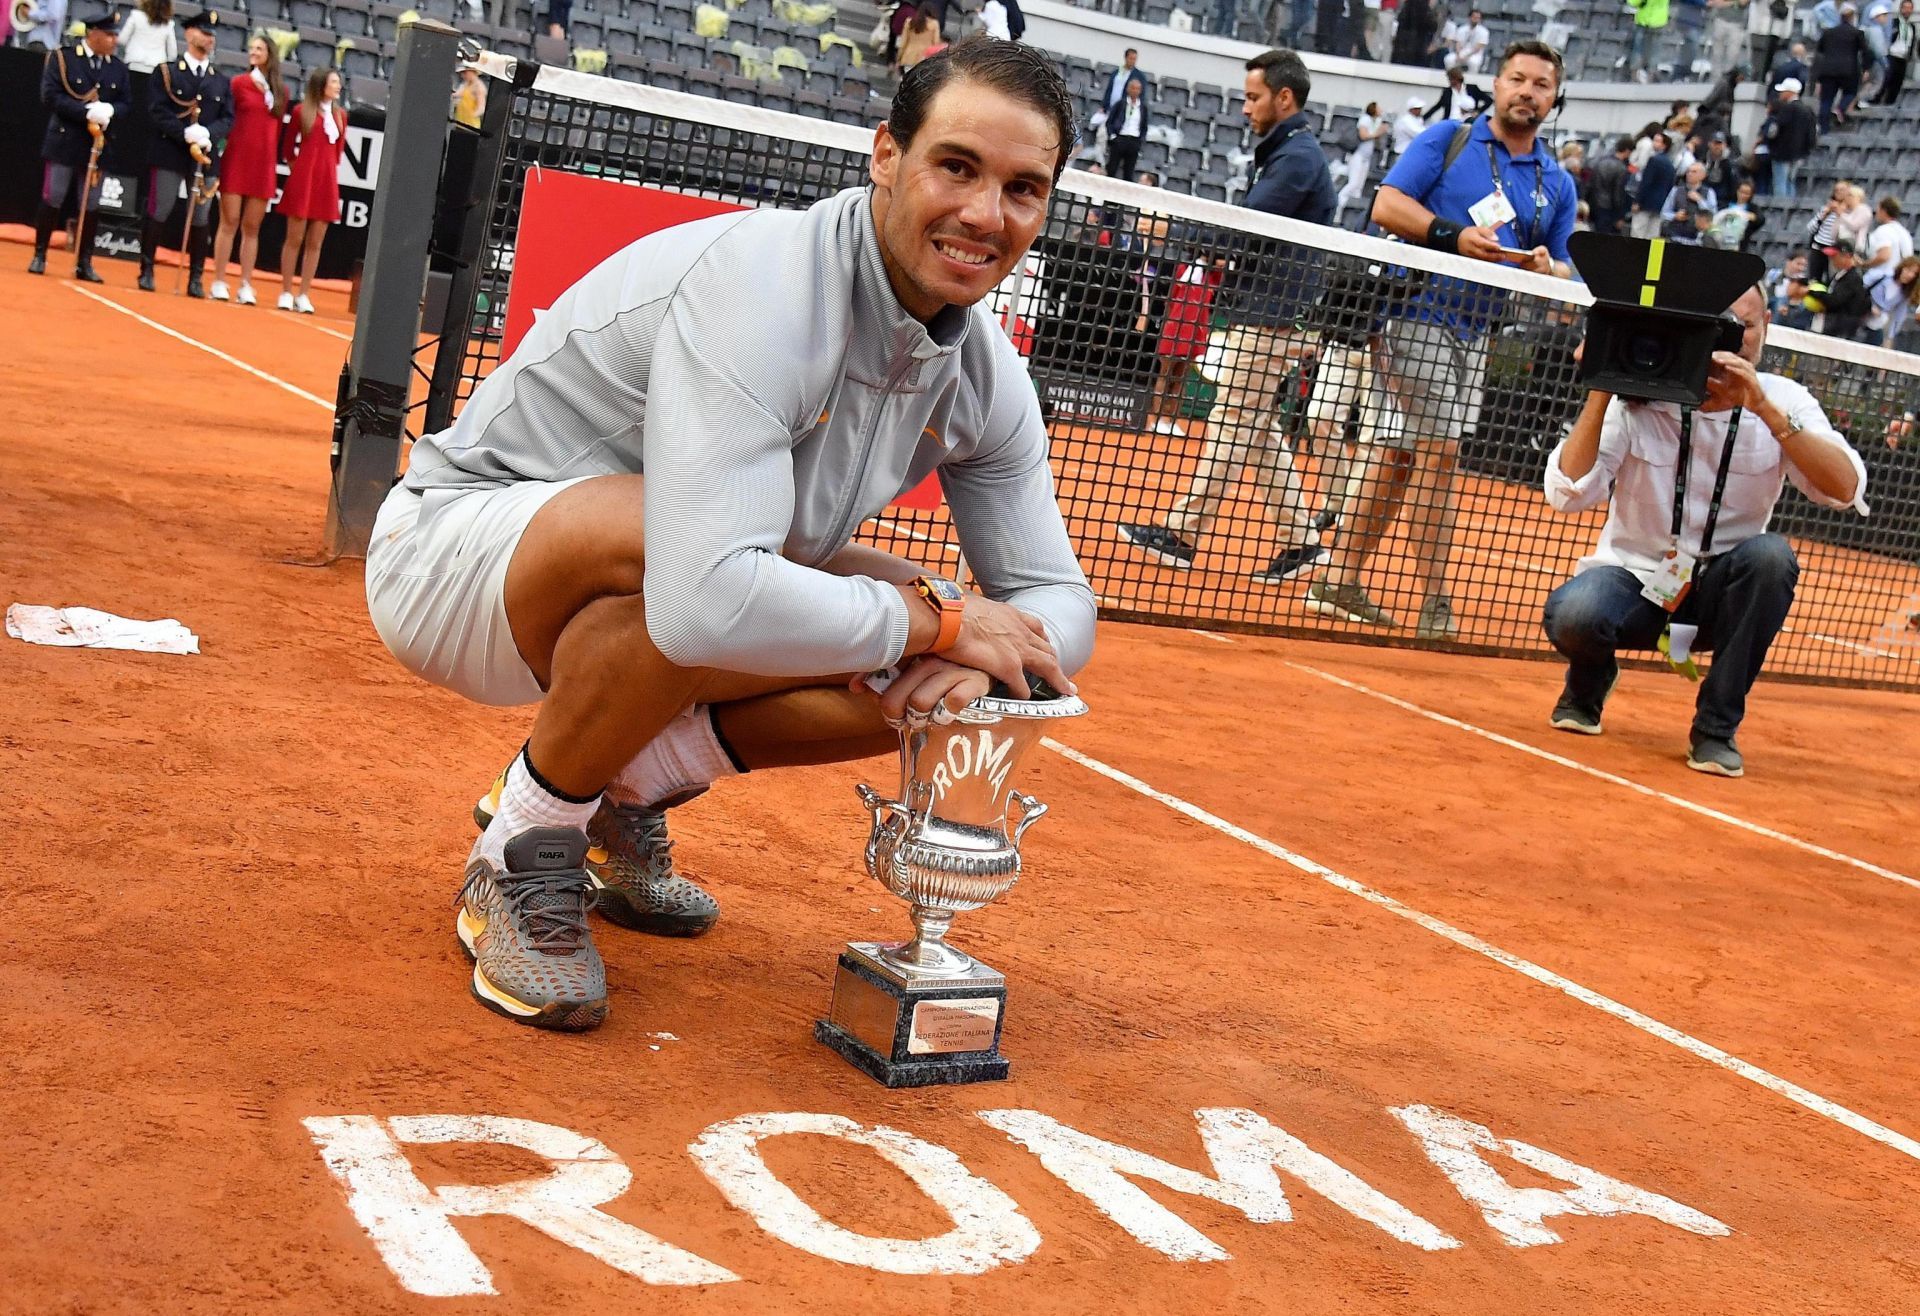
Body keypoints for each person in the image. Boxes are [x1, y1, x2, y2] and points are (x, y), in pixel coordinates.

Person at [362, 39, 1093, 1031]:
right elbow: (707, 594)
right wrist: (937, 619)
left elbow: (1058, 600)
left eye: (1022, 188)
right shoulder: (765, 288)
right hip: (455, 561)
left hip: (678, 586)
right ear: (887, 154)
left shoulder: (987, 373)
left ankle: (631, 782)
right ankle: (524, 848)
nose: (983, 213)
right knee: (812, 585)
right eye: (956, 166)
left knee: (956, 656)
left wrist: (974, 650)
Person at [1540, 284, 1868, 777]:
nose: (1734, 339)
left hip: (1719, 594)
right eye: (1722, 326)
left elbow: (1845, 490)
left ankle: (1716, 730)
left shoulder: (1785, 399)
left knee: (1771, 557)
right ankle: (1590, 678)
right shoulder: (1644, 389)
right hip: (1636, 579)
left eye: (1747, 326)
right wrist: (1602, 384)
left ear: (1767, 328)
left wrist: (1765, 411)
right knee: (1575, 615)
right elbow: (1567, 494)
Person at [1309, 40, 1576, 636]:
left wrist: (1543, 268)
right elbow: (1386, 204)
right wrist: (1451, 236)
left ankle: (1339, 575)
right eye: (1517, 79)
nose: (1527, 91)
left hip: (1478, 332)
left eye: (1541, 84)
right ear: (1498, 85)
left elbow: (1566, 269)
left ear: (1554, 99)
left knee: (1399, 455)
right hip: (1413, 312)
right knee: (1439, 451)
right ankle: (1435, 601)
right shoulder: (1447, 140)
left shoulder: (1555, 182)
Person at [1114, 48, 1336, 584]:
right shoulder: (1288, 151)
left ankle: (1184, 532)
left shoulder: (1299, 157)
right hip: (1269, 307)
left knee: (1235, 417)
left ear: (1285, 98)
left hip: (1272, 313)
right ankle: (1302, 540)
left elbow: (1248, 225)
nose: (1244, 107)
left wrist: (1179, 233)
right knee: (1255, 426)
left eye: (1253, 97)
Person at [30, 12, 129, 282]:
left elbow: (125, 104)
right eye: (109, 34)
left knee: (93, 204)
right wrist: (84, 111)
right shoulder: (64, 59)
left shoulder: (118, 68)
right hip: (65, 138)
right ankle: (40, 253)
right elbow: (50, 96)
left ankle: (84, 261)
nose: (114, 40)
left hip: (97, 145)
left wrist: (110, 109)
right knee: (54, 196)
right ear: (93, 33)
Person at [139, 8, 225, 296]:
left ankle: (196, 278)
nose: (209, 38)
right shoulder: (167, 72)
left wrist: (208, 133)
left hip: (205, 155)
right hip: (170, 150)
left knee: (201, 216)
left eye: (212, 34)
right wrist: (184, 132)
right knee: (159, 207)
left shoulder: (219, 80)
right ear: (188, 34)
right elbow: (157, 110)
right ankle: (147, 268)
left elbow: (228, 118)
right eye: (203, 32)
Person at [206, 32, 282, 305]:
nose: (253, 52)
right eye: (251, 48)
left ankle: (246, 284)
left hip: (263, 166)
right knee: (229, 222)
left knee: (252, 227)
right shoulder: (237, 84)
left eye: (259, 48)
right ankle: (218, 281)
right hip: (237, 160)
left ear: (269, 55)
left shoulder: (280, 92)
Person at [276, 67, 344, 314]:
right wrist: (301, 169)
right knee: (294, 239)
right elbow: (287, 148)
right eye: (334, 82)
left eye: (339, 82)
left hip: (327, 182)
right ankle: (285, 291)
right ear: (321, 85)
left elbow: (337, 153)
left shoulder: (340, 116)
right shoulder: (300, 111)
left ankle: (304, 294)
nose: (338, 86)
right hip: (303, 180)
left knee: (315, 243)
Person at [1813, 1, 1871, 128]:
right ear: (1852, 17)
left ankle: (1823, 129)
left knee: (1826, 101)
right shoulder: (1857, 33)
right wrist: (1866, 68)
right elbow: (1866, 51)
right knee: (1850, 93)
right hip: (1848, 70)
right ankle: (1840, 109)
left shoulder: (1829, 32)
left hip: (1828, 70)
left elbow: (1820, 49)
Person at [1758, 77, 1814, 196]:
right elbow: (1811, 134)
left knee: (1780, 183)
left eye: (1783, 91)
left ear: (1790, 92)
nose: (1781, 94)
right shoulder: (1807, 110)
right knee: (1790, 182)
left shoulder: (1786, 109)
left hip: (1782, 152)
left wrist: (1768, 141)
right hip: (1799, 153)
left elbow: (1774, 130)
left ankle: (1780, 211)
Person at [1335, 99, 1387, 226]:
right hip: (1357, 156)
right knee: (1352, 184)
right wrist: (1377, 133)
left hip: (1366, 158)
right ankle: (1338, 207)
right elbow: (1364, 136)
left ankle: (1351, 216)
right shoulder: (1365, 120)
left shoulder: (1375, 122)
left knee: (1359, 187)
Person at [1814, 239, 1873, 336]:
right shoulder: (1839, 275)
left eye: (1834, 256)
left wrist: (1814, 293)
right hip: (1832, 326)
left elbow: (1835, 300)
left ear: (1847, 256)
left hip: (1842, 330)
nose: (1831, 259)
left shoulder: (1852, 278)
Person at [1630, 130, 1676, 239]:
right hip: (1660, 204)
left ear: (1664, 145)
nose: (1653, 143)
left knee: (1638, 232)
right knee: (1653, 234)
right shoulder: (1670, 163)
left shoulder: (1654, 160)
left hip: (1646, 202)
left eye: (1657, 141)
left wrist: (1637, 201)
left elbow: (1646, 182)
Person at [1105, 75, 1147, 180]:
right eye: (1133, 88)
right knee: (1112, 169)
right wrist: (1113, 136)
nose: (1135, 91)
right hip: (1120, 139)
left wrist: (1140, 140)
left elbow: (1144, 126)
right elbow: (1110, 121)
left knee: (1129, 172)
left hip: (1134, 141)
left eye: (1137, 89)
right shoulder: (1120, 104)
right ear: (1128, 89)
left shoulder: (1143, 107)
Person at [1588, 136, 1633, 235]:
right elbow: (1618, 194)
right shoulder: (1621, 168)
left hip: (1595, 203)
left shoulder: (1600, 162)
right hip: (1609, 208)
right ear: (1627, 151)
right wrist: (1619, 216)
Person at [1870, 0, 1914, 102]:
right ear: (1901, 9)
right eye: (1905, 8)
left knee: (1898, 81)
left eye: (1910, 8)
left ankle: (1890, 101)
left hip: (1903, 57)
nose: (1907, 10)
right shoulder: (1894, 22)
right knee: (1887, 78)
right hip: (1892, 54)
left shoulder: (1911, 26)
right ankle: (1876, 99)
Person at [117, 0, 174, 72]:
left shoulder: (136, 16)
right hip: (156, 68)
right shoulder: (169, 24)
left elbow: (122, 40)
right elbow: (172, 54)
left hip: (134, 63)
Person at [1864, 194, 1913, 278]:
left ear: (1884, 211)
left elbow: (1884, 256)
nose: (1876, 212)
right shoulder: (1904, 232)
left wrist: (1865, 264)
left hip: (1883, 278)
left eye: (1878, 209)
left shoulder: (1883, 230)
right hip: (1898, 279)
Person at [1710, 177, 1765, 249]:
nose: (1743, 195)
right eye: (1741, 192)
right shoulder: (1725, 205)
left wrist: (1748, 216)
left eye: (1747, 193)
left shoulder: (1752, 208)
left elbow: (1760, 219)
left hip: (1740, 244)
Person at [1423, 64, 1491, 121]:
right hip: (1450, 121)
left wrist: (1478, 112)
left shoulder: (1472, 88)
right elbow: (1437, 106)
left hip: (1468, 122)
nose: (1449, 81)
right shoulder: (1447, 92)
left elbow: (1489, 100)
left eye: (1450, 78)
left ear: (1456, 78)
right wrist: (1423, 118)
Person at [1622, 0, 1670, 81]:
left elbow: (1634, 2)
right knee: (1655, 50)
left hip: (1644, 19)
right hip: (1659, 19)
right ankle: (1651, 75)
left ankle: (1634, 73)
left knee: (1638, 48)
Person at [895, 2, 944, 72]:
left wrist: (898, 59)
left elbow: (903, 42)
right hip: (925, 58)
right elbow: (936, 43)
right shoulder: (934, 24)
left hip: (909, 56)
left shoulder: (909, 22)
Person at [1707, 0, 1750, 73]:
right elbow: (1715, 3)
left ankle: (1727, 79)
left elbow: (1743, 2)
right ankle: (1715, 79)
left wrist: (1727, 3)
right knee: (1717, 54)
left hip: (1737, 24)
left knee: (1733, 54)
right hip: (1720, 20)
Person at [1392, 0, 1436, 64]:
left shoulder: (1406, 8)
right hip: (1418, 46)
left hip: (1403, 45)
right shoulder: (1425, 10)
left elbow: (1401, 20)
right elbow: (1432, 26)